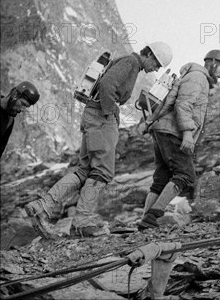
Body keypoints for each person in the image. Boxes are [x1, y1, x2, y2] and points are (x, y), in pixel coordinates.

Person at [25, 42, 173, 238]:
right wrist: (110, 113)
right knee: (102, 171)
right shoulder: (130, 62)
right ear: (151, 56)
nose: (156, 69)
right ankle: (82, 220)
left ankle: (42, 206)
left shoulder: (130, 64)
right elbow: (107, 85)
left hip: (93, 115)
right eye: (157, 64)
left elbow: (106, 84)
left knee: (85, 170)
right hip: (101, 119)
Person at [137, 50, 220, 230]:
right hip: (172, 132)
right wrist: (187, 133)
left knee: (162, 178)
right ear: (213, 63)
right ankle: (153, 216)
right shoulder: (198, 77)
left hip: (162, 130)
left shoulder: (194, 76)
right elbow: (183, 105)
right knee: (185, 176)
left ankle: (145, 222)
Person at [0, 81, 40, 158]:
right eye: (23, 104)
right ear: (15, 94)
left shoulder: (9, 121)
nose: (22, 109)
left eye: (25, 107)